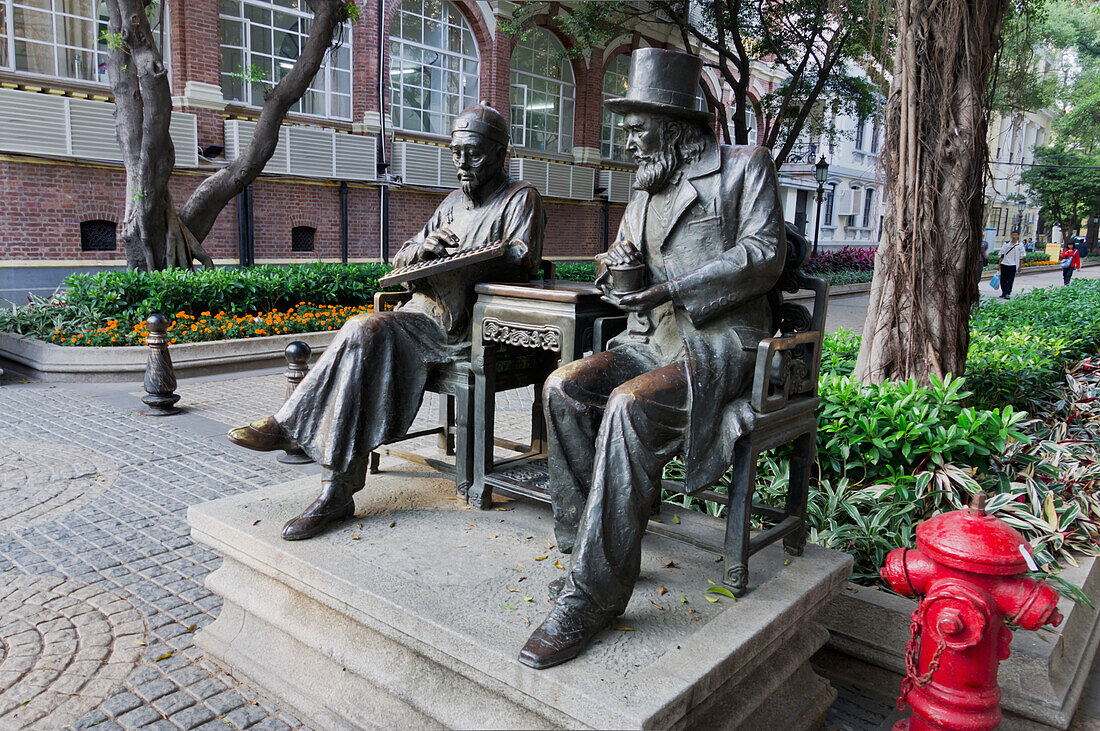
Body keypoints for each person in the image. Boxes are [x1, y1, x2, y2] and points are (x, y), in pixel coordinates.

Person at [518, 48, 786, 669]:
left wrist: (675, 288)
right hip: (648, 341)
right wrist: (618, 275)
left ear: (672, 122)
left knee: (627, 405)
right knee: (563, 388)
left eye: (637, 126)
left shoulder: (744, 168)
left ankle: (593, 596)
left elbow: (765, 253)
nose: (628, 139)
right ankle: (586, 551)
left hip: (719, 346)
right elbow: (621, 262)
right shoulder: (646, 187)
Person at [226, 103, 545, 541]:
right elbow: (401, 257)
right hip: (419, 316)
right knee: (362, 341)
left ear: (499, 153)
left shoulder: (521, 198)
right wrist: (426, 248)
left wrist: (478, 258)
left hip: (466, 327)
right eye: (456, 153)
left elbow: (523, 258)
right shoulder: (450, 203)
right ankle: (332, 485)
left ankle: (295, 433)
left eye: (472, 153)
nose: (462, 164)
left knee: (364, 330)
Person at [998, 230, 1024, 299]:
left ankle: (1008, 293)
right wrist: (999, 265)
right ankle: (1003, 292)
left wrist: (1020, 267)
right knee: (1003, 279)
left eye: (1015, 235)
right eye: (1013, 235)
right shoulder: (1006, 244)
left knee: (1010, 280)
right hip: (1004, 264)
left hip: (1013, 265)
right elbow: (1001, 254)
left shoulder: (1020, 245)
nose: (1014, 236)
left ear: (1018, 236)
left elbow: (1021, 256)